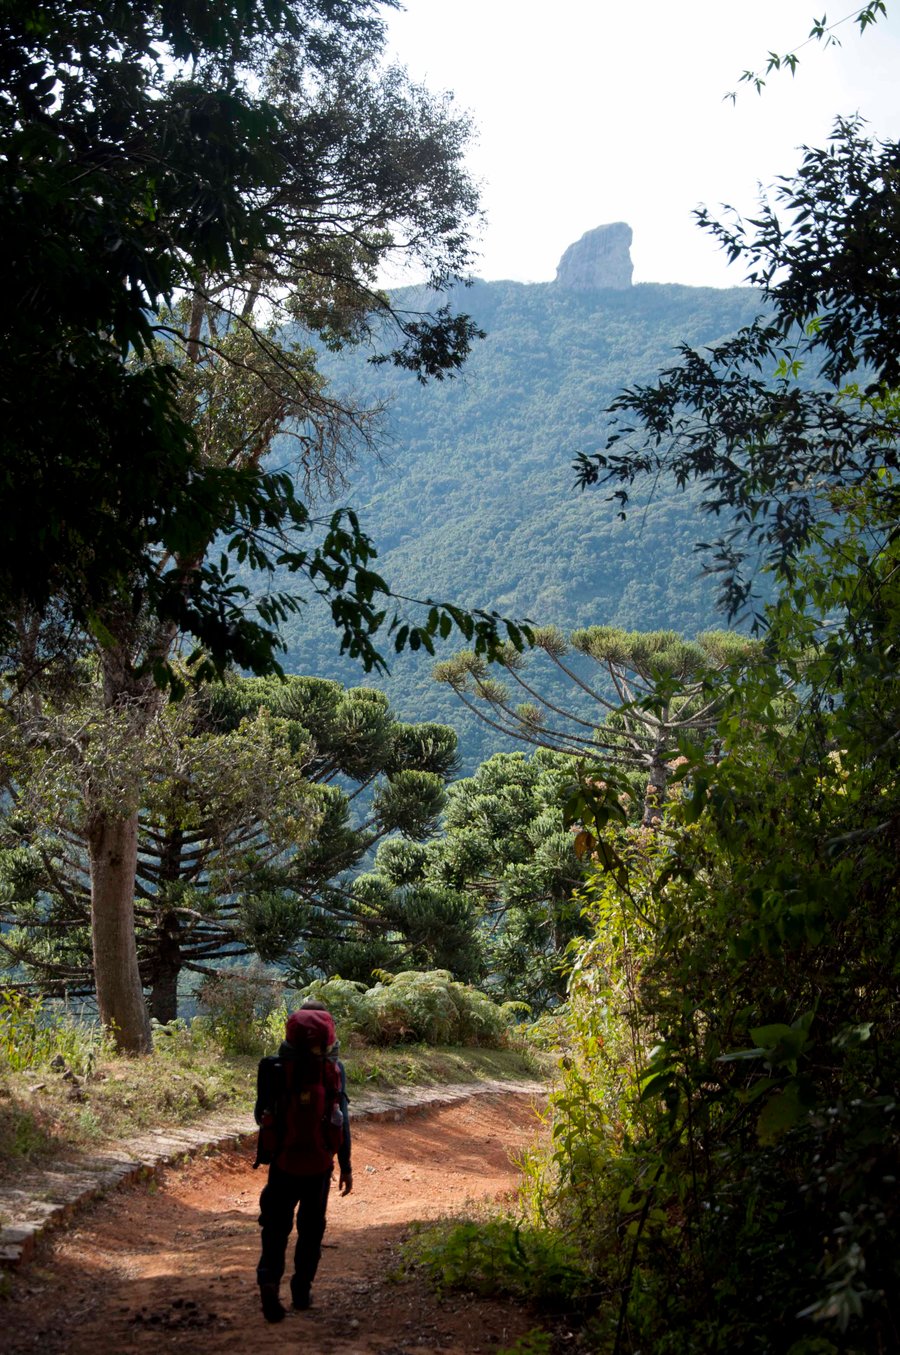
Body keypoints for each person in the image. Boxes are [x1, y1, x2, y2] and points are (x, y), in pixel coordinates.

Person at [254, 1000, 353, 1322]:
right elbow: (343, 1121)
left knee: (275, 1227)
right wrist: (347, 1166)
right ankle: (301, 1291)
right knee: (311, 1230)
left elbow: (260, 1115)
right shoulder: (333, 1071)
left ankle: (269, 1279)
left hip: (282, 1163)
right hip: (320, 1165)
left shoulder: (272, 1068)